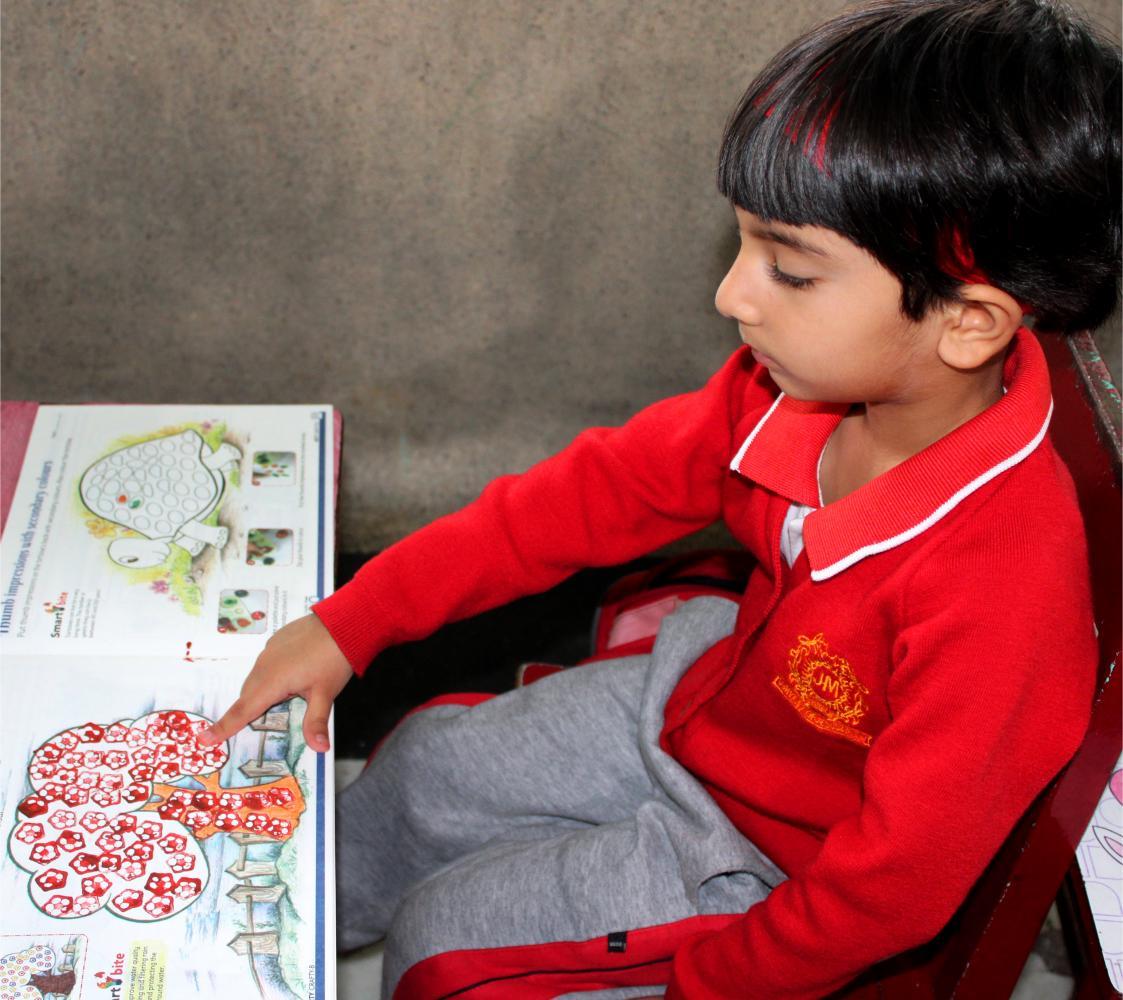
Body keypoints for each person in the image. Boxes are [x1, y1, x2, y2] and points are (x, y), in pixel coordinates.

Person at [202, 0, 1121, 995]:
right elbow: (585, 497)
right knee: (427, 769)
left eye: (789, 270)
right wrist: (354, 621)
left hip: (779, 856)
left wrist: (713, 983)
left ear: (969, 323)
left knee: (448, 945)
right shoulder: (786, 395)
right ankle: (240, 944)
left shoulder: (1004, 594)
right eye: (744, 246)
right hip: (708, 699)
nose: (732, 295)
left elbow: (891, 886)